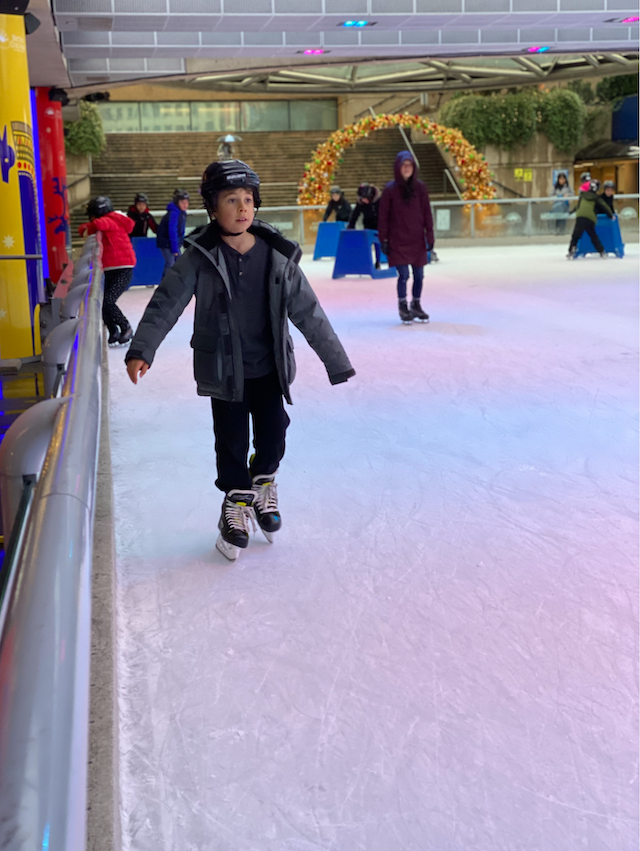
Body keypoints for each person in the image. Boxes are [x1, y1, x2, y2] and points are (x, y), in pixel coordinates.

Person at [124, 160, 355, 562]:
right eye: (231, 200)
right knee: (231, 443)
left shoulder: (277, 255)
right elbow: (165, 304)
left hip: (268, 369)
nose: (242, 207)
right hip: (223, 371)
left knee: (274, 435)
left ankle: (263, 481)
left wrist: (336, 361)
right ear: (213, 208)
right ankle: (234, 504)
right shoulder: (199, 256)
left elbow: (309, 312)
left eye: (248, 199)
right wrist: (142, 349)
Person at [378, 151, 434, 323]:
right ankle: (403, 305)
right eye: (404, 165)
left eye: (410, 165)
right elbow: (383, 216)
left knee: (419, 274)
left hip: (417, 240)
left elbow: (426, 213)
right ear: (398, 167)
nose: (407, 168)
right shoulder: (390, 190)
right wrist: (384, 240)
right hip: (398, 240)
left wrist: (429, 235)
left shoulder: (421, 188)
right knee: (403, 275)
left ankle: (416, 304)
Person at [78, 196, 136, 347]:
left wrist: (86, 227)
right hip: (111, 268)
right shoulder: (113, 219)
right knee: (102, 301)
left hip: (122, 268)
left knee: (108, 301)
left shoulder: (110, 219)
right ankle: (113, 330)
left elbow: (99, 224)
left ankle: (126, 327)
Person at [567, 179, 615, 259]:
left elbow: (577, 206)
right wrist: (611, 215)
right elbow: (604, 206)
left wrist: (571, 212)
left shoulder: (582, 196)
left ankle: (571, 250)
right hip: (590, 218)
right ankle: (601, 251)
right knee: (593, 236)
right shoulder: (596, 198)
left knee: (575, 235)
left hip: (580, 217)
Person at [348, 183, 382, 268]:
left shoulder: (379, 200)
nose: (364, 201)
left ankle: (378, 262)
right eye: (362, 199)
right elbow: (355, 214)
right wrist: (351, 226)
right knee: (367, 243)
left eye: (365, 199)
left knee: (378, 243)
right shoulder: (361, 202)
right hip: (367, 223)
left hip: (379, 223)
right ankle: (367, 262)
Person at [156, 189, 189, 275]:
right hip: (166, 242)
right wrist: (175, 248)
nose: (185, 205)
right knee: (170, 263)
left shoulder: (182, 213)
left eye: (186, 202)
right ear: (177, 202)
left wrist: (180, 242)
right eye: (182, 202)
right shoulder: (174, 213)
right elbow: (172, 231)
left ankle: (177, 283)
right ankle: (165, 284)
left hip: (174, 242)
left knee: (180, 263)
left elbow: (181, 230)